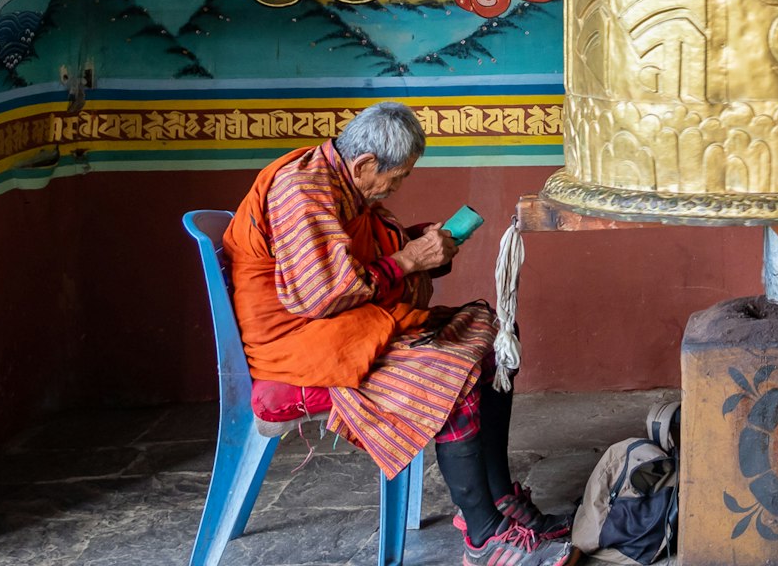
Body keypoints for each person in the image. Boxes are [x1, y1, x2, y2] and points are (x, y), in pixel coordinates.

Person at [224, 102, 575, 566]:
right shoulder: (302, 189)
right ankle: (483, 534)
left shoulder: (340, 180)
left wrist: (419, 244)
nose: (398, 185)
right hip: (301, 342)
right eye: (399, 176)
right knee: (452, 373)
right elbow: (321, 295)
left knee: (491, 340)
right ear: (365, 164)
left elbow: (353, 254)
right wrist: (409, 260)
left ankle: (498, 500)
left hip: (343, 326)